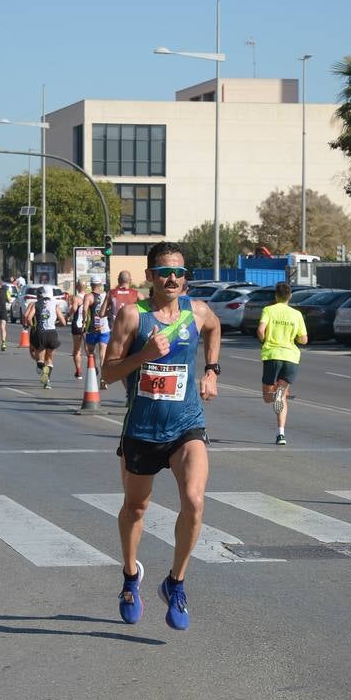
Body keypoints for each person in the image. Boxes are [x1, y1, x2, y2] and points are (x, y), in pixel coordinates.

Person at [102, 241, 220, 631]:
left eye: (180, 272)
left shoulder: (197, 312)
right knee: (136, 509)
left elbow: (214, 327)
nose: (173, 279)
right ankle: (130, 578)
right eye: (165, 272)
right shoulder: (132, 317)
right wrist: (145, 355)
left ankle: (176, 583)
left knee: (195, 500)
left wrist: (211, 370)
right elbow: (108, 373)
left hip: (186, 425)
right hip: (142, 428)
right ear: (150, 276)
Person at [257, 281, 308, 446]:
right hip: (291, 357)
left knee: (267, 397)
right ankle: (281, 434)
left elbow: (260, 330)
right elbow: (304, 339)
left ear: (275, 296)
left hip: (272, 355)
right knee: (282, 395)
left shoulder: (269, 310)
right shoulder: (296, 314)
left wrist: (265, 341)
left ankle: (275, 396)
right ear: (290, 296)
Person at [24, 285, 66, 389]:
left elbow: (28, 318)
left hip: (40, 332)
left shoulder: (36, 304)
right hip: (52, 333)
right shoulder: (55, 305)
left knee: (40, 359)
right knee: (49, 358)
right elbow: (63, 322)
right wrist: (56, 325)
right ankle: (47, 381)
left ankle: (41, 367)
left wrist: (33, 325)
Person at [82, 278, 110, 387]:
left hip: (92, 328)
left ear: (91, 285)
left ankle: (95, 368)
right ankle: (103, 379)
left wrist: (84, 322)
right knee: (103, 354)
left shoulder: (88, 296)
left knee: (90, 352)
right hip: (104, 328)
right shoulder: (106, 296)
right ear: (100, 285)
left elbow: (84, 309)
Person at [69, 279, 87, 379]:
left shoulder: (76, 298)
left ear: (77, 287)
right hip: (87, 325)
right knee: (88, 348)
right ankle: (92, 367)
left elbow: (74, 309)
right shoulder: (90, 297)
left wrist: (68, 314)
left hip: (77, 325)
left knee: (77, 350)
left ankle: (79, 370)